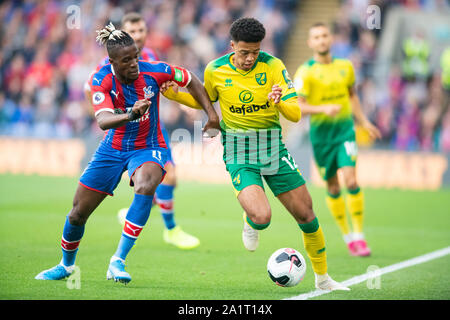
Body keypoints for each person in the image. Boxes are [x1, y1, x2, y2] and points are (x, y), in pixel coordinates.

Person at [164, 17, 349, 291]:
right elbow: (205, 99)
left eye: (255, 52)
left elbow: (296, 114)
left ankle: (323, 279)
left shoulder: (274, 66)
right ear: (231, 46)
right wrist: (176, 96)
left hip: (273, 147)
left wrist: (280, 102)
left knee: (307, 215)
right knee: (262, 217)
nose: (250, 58)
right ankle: (249, 220)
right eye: (244, 52)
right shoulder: (216, 70)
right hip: (239, 150)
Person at [35, 23, 220, 283]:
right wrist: (132, 113)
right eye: (127, 60)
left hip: (149, 146)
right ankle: (66, 266)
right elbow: (104, 120)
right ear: (112, 62)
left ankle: (118, 260)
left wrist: (211, 115)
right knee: (77, 213)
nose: (134, 63)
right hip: (112, 148)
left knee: (146, 185)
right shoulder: (101, 79)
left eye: (135, 57)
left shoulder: (154, 70)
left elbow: (190, 78)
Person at [84, 12, 201, 250]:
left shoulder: (149, 57)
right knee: (155, 179)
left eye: (141, 31)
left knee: (168, 178)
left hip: (152, 127)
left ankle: (154, 221)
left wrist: (182, 104)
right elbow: (92, 88)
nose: (138, 35)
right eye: (132, 31)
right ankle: (168, 228)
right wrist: (102, 114)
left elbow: (164, 84)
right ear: (123, 33)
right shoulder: (109, 63)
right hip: (125, 132)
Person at [293, 22, 381, 257]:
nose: (321, 40)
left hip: (345, 132)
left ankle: (360, 236)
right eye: (316, 37)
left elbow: (353, 96)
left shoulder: (345, 67)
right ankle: (348, 236)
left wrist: (363, 122)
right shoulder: (305, 72)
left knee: (351, 181)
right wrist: (323, 109)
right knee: (333, 186)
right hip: (322, 137)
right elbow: (298, 107)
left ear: (330, 39)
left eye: (324, 35)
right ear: (310, 43)